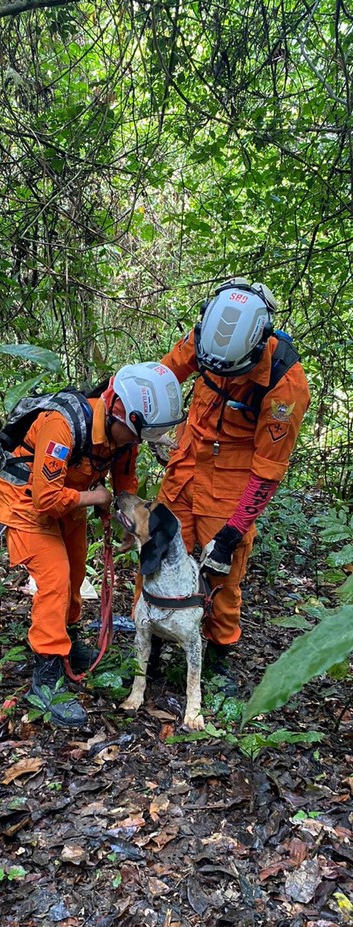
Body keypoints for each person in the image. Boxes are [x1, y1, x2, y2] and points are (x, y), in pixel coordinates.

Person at [0, 363, 185, 728]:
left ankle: (69, 638)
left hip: (70, 501)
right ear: (115, 409)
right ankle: (46, 677)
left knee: (77, 571)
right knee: (56, 578)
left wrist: (126, 519)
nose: (133, 442)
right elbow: (46, 499)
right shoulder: (61, 425)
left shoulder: (127, 433)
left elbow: (124, 481)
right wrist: (95, 496)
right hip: (26, 504)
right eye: (132, 434)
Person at [157, 278, 310, 693]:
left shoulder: (285, 385)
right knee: (157, 555)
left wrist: (231, 533)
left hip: (231, 484)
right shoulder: (207, 335)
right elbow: (164, 374)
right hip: (184, 468)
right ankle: (151, 646)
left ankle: (218, 654)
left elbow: (267, 469)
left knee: (222, 576)